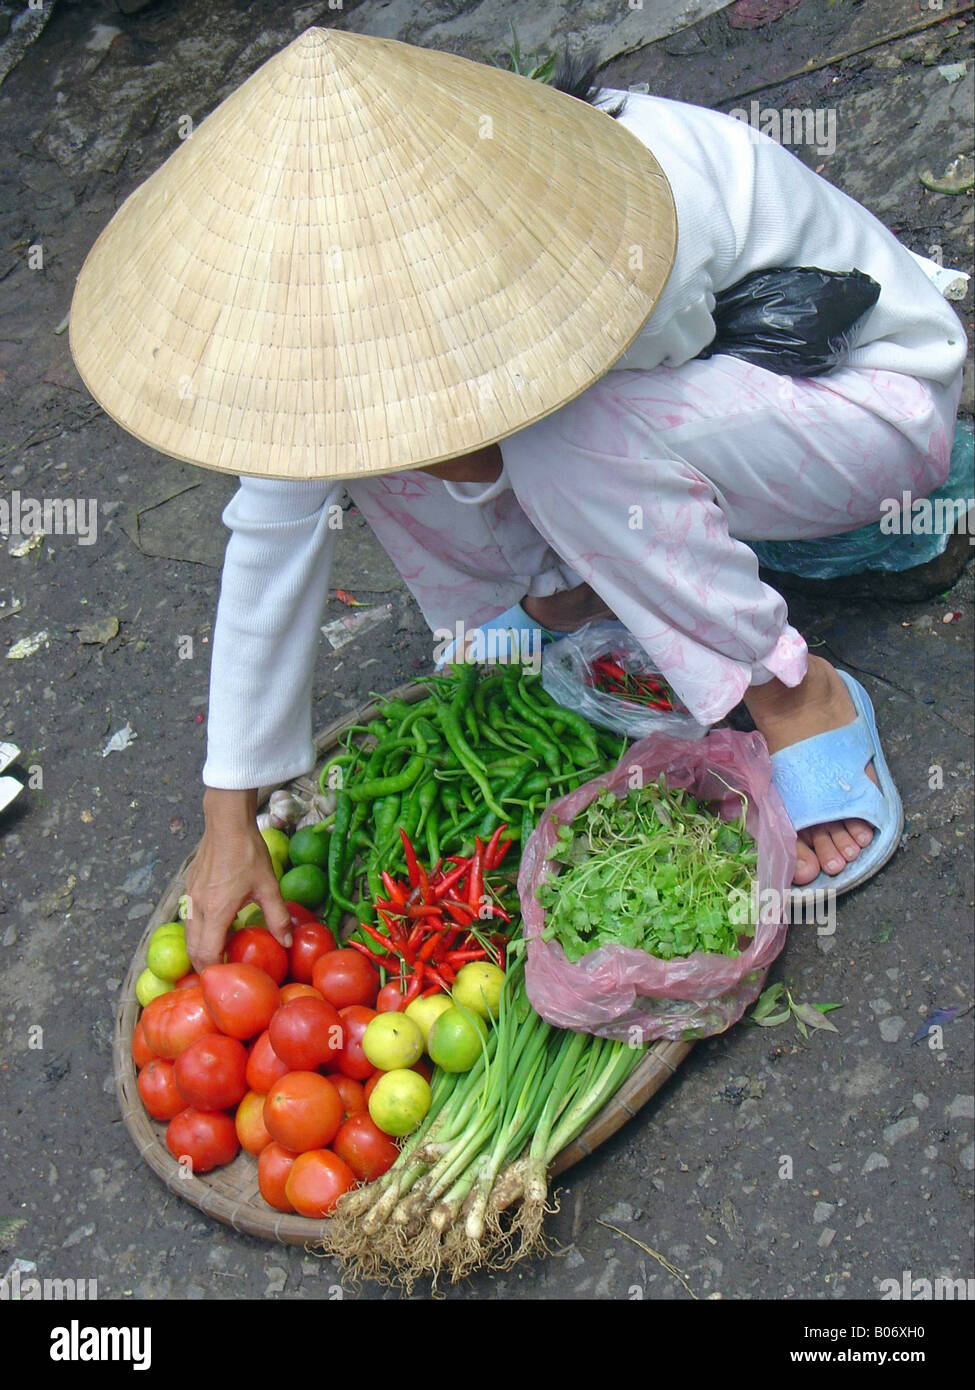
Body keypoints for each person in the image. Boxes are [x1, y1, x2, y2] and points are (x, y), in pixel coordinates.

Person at [65, 32, 965, 971]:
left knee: (559, 441)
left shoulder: (623, 212)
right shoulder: (346, 312)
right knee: (355, 435)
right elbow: (271, 527)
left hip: (863, 410)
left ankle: (794, 695)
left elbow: (590, 442)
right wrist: (229, 811)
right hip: (679, 428)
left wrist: (475, 457)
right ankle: (559, 601)